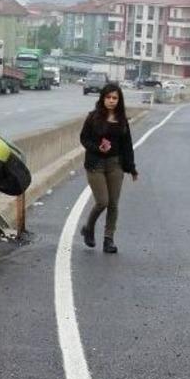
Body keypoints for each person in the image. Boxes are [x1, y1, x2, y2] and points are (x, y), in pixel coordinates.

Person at [79, 83, 138, 253]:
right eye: (108, 97)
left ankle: (108, 239)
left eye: (115, 98)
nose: (111, 101)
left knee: (113, 204)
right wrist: (97, 148)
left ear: (119, 100)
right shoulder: (93, 117)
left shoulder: (122, 120)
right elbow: (84, 139)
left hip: (115, 165)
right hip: (95, 165)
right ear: (103, 98)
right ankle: (89, 228)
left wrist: (131, 168)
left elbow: (127, 145)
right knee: (102, 202)